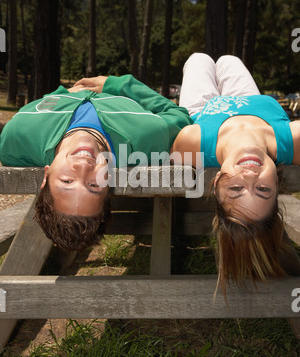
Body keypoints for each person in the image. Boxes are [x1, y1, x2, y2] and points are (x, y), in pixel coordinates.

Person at [0, 74, 192, 252]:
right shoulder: (147, 136)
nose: (83, 167)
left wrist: (62, 95)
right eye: (93, 184)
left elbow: (36, 108)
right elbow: (181, 117)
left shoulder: (16, 137)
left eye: (67, 181)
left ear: (46, 176)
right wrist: (118, 85)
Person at [171, 53, 300, 295]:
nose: (250, 177)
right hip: (253, 101)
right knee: (229, 60)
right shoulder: (292, 141)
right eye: (262, 190)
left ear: (217, 181)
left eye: (236, 189)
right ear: (277, 183)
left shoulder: (192, 143)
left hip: (204, 112)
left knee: (198, 59)